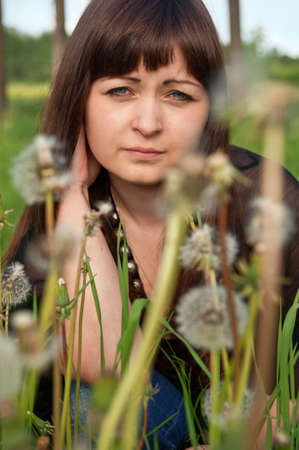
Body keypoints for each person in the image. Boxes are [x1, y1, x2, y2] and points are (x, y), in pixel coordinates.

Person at [5, 0, 299, 448]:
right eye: (121, 90)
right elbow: (105, 368)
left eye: (177, 94)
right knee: (98, 405)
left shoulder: (265, 201)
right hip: (130, 421)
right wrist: (71, 196)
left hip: (249, 432)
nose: (147, 123)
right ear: (79, 99)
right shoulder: (58, 223)